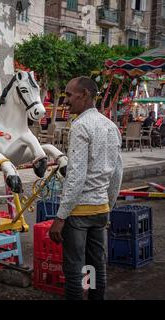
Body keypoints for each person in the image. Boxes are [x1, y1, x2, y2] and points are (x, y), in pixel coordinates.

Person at [49, 76, 123, 300]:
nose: (66, 101)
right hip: (100, 210)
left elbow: (76, 176)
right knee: (95, 268)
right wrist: (108, 205)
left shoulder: (80, 126)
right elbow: (117, 173)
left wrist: (61, 217)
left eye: (69, 95)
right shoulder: (110, 126)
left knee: (75, 272)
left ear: (85, 95)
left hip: (79, 214)